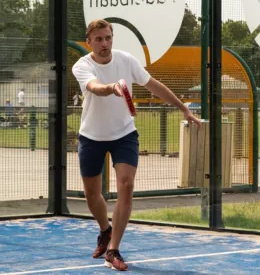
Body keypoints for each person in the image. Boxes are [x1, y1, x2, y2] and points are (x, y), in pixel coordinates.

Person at [71, 19, 200, 271]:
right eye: (98, 39)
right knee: (91, 194)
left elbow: (154, 86)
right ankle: (105, 230)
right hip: (91, 136)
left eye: (108, 37)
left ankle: (113, 249)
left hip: (124, 135)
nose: (104, 43)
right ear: (89, 43)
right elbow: (94, 88)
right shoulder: (82, 65)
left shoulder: (126, 60)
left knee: (126, 185)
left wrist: (184, 109)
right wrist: (112, 87)